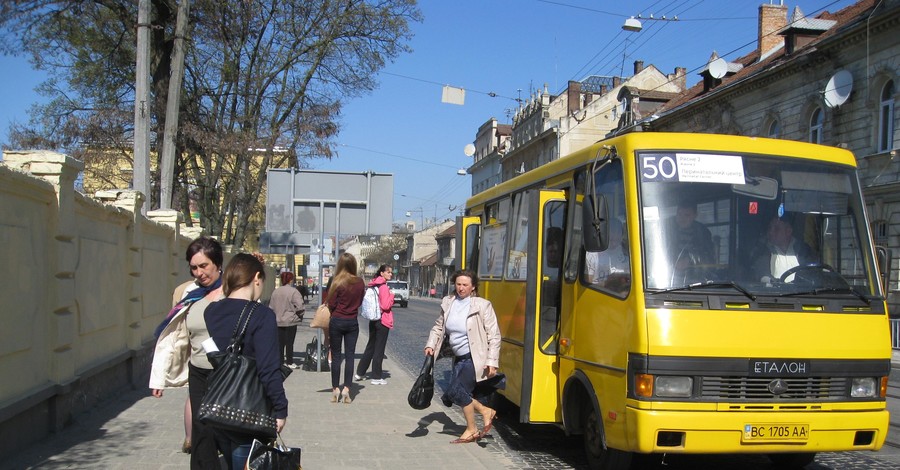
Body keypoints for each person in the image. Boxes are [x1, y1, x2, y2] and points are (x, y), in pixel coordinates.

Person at [204, 253, 288, 469]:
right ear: (257, 277)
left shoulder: (211, 311)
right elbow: (268, 369)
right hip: (250, 411)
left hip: (220, 407)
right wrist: (280, 409)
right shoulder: (262, 315)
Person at [150, 236, 226, 468]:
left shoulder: (232, 290)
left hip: (226, 371)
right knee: (201, 432)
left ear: (217, 264)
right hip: (199, 371)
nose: (199, 273)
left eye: (204, 266)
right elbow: (171, 336)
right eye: (194, 267)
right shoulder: (189, 293)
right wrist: (158, 377)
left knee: (222, 430)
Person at [424, 270, 501, 444]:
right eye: (458, 284)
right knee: (454, 393)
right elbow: (439, 327)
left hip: (474, 358)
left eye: (465, 285)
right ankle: (485, 411)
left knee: (456, 391)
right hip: (458, 357)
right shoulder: (448, 302)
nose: (461, 288)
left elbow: (494, 335)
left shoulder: (482, 305)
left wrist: (492, 361)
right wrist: (430, 344)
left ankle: (472, 429)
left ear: (473, 286)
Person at [325, 253, 366, 404]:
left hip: (336, 321)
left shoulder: (336, 281)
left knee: (336, 356)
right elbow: (360, 301)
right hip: (352, 322)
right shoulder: (360, 282)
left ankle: (335, 388)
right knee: (350, 356)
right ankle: (347, 389)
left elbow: (331, 303)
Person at [355, 264, 395, 385]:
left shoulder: (374, 284)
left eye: (391, 272)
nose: (390, 274)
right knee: (379, 349)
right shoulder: (383, 287)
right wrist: (392, 295)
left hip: (373, 319)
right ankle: (376, 377)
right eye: (388, 272)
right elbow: (385, 305)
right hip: (383, 320)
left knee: (370, 347)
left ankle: (360, 372)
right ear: (382, 273)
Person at [751, 214, 817, 283]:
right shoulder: (762, 250)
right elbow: (762, 273)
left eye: (776, 229)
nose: (770, 232)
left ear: (788, 231)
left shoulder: (803, 250)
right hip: (775, 292)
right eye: (770, 228)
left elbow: (812, 274)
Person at [271, 271, 305, 369]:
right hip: (290, 321)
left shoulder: (275, 292)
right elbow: (300, 306)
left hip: (278, 321)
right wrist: (299, 315)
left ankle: (281, 361)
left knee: (280, 343)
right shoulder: (294, 292)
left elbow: (271, 307)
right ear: (291, 280)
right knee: (290, 342)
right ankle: (289, 361)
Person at [666, 202, 714, 270]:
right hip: (667, 274)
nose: (682, 218)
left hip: (696, 276)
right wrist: (672, 261)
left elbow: (708, 255)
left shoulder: (703, 233)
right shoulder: (666, 229)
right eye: (679, 214)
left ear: (695, 215)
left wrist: (690, 259)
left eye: (687, 215)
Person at [586, 218, 629, 286]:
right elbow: (587, 284)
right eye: (611, 240)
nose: (614, 243)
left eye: (617, 239)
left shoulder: (626, 253)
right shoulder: (592, 254)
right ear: (605, 234)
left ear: (621, 236)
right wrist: (607, 283)